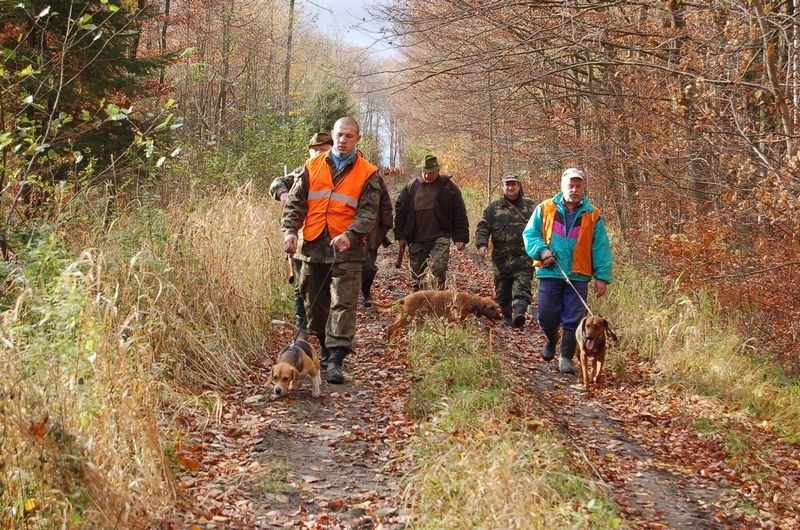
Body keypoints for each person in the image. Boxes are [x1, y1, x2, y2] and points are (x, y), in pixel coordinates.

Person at [282, 117, 381, 384]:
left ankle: (336, 358)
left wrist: (352, 234)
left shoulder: (368, 172)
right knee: (314, 304)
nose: (343, 140)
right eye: (339, 134)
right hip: (312, 245)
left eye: (349, 136)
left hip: (347, 249)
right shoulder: (312, 165)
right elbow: (296, 202)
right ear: (332, 135)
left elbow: (369, 212)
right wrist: (290, 230)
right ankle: (325, 348)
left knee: (344, 302)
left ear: (358, 139)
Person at [522, 167, 613, 374]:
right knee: (546, 316)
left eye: (578, 185)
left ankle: (565, 358)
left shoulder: (593, 215)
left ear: (583, 188)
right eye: (570, 185)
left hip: (579, 275)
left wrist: (602, 277)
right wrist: (542, 251)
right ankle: (551, 340)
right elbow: (530, 234)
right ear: (562, 186)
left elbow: (600, 247)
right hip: (550, 271)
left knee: (573, 319)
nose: (574, 189)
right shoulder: (545, 208)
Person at [269, 132, 334, 335]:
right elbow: (276, 183)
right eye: (315, 150)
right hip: (302, 241)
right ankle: (301, 325)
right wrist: (283, 193)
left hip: (331, 240)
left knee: (329, 286)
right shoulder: (300, 173)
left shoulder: (340, 173)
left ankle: (328, 327)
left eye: (323, 150)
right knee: (301, 285)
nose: (319, 153)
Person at [393, 154, 469, 291]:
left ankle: (437, 299)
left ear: (438, 171)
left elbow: (459, 213)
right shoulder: (411, 187)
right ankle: (419, 302)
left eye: (431, 173)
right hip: (416, 237)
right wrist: (399, 234)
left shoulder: (449, 187)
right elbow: (400, 211)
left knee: (438, 269)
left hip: (440, 236)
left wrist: (461, 237)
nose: (427, 176)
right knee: (417, 274)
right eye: (425, 172)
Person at [475, 173, 536, 328]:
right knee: (502, 292)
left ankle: (519, 314)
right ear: (502, 186)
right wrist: (482, 244)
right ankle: (507, 317)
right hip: (501, 260)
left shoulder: (532, 207)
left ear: (518, 185)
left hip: (524, 258)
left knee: (522, 287)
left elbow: (543, 227)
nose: (510, 187)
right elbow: (482, 228)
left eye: (513, 184)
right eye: (507, 184)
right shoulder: (493, 208)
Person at [361, 173, 393, 308]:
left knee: (368, 267)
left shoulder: (374, 178)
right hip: (342, 231)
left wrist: (384, 228)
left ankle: (366, 291)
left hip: (370, 232)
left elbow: (385, 204)